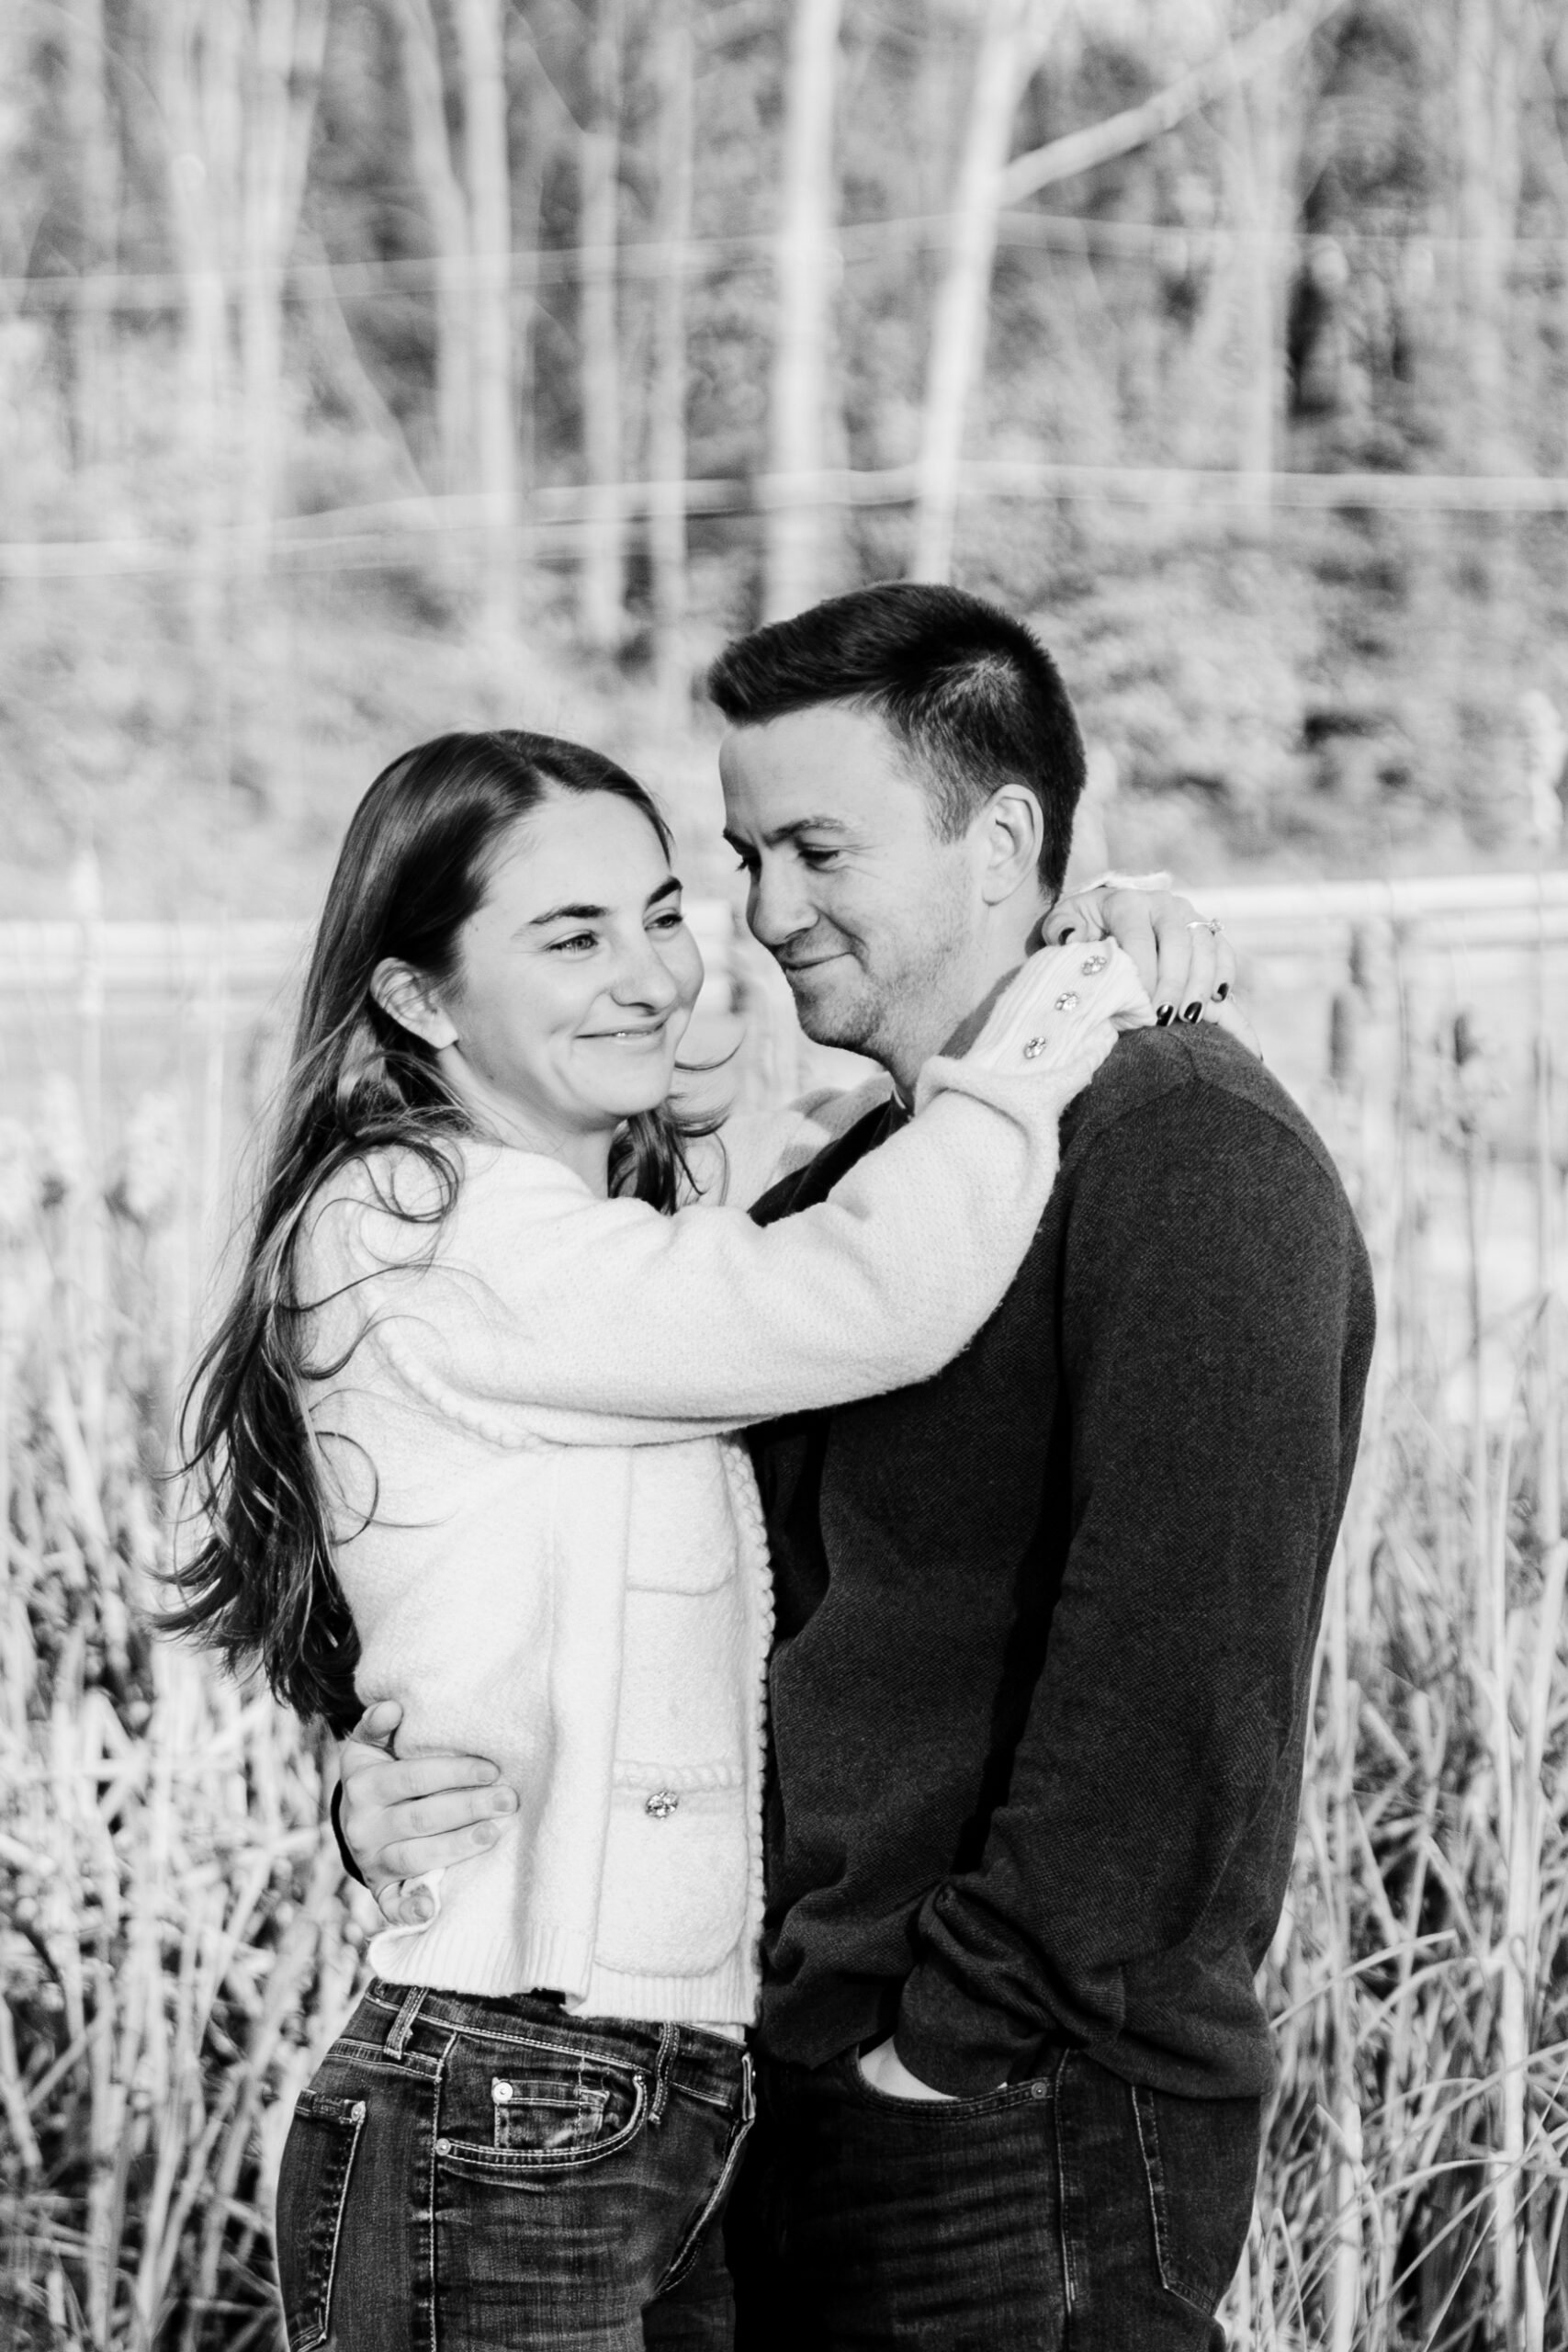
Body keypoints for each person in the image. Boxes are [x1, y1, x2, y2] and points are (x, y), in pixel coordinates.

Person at [344, 585, 1375, 2351]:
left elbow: (1177, 1683)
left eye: (818, 847)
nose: (762, 913)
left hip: (1013, 2109)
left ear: (1005, 844)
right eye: (742, 856)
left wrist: (949, 2046)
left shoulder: (1185, 1156)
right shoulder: (866, 1194)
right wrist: (401, 1744)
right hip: (789, 2086)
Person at [168, 723, 1171, 2352]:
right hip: (514, 2101)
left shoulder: (587, 1227)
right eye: (570, 937)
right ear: (419, 999)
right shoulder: (416, 1225)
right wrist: (1055, 1029)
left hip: (647, 2097)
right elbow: (863, 1291)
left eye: (658, 910)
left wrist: (1071, 927)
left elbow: (751, 1220)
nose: (651, 972)